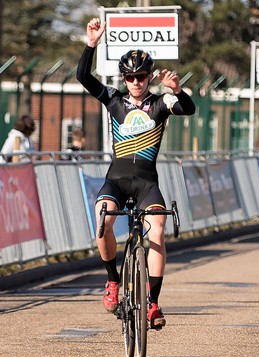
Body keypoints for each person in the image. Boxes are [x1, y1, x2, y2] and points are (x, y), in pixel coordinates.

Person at [78, 17, 196, 329]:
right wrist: (91, 44)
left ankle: (153, 303)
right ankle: (113, 280)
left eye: (141, 76)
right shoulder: (113, 100)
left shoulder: (160, 103)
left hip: (146, 182)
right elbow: (82, 76)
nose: (136, 82)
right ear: (124, 78)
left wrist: (179, 90)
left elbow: (189, 110)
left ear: (149, 77)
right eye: (130, 76)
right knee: (103, 220)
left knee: (157, 232)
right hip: (116, 180)